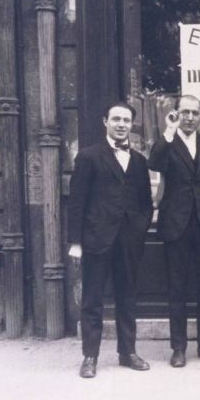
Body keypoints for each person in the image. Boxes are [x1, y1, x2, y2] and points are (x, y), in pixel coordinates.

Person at [67, 102, 154, 379]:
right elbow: (77, 202)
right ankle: (90, 356)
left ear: (132, 125)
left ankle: (127, 352)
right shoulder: (89, 157)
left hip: (128, 241)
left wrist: (139, 231)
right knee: (92, 300)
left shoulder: (140, 161)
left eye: (126, 120)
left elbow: (145, 203)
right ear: (105, 121)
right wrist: (76, 242)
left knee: (127, 296)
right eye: (116, 119)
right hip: (97, 240)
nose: (121, 124)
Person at [148, 95, 200, 367]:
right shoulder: (168, 143)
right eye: (184, 112)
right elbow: (155, 163)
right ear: (176, 114)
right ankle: (178, 348)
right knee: (177, 290)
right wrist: (169, 131)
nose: (189, 117)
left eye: (194, 113)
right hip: (177, 227)